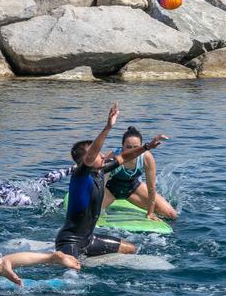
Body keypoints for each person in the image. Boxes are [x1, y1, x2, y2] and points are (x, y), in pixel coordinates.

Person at [56, 104, 167, 259]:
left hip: (89, 239)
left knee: (131, 249)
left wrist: (147, 147)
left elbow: (124, 157)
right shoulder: (80, 176)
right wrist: (108, 127)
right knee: (72, 273)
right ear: (86, 160)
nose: (102, 156)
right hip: (70, 242)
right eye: (97, 154)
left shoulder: (101, 170)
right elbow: (91, 155)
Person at [103, 126, 178, 222]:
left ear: (141, 147)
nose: (132, 151)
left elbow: (151, 188)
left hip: (133, 188)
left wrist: (150, 213)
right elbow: (100, 184)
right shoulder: (113, 156)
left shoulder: (146, 158)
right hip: (110, 190)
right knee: (89, 214)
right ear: (122, 146)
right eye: (128, 147)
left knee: (172, 214)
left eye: (136, 147)